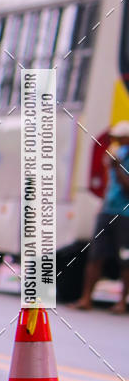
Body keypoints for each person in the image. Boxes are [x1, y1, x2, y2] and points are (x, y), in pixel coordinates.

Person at [73, 120, 129, 313]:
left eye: (121, 138)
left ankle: (122, 302)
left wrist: (118, 168)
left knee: (125, 260)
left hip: (125, 215)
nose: (117, 141)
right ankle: (86, 298)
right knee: (95, 256)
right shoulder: (118, 154)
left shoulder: (121, 160)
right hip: (107, 211)